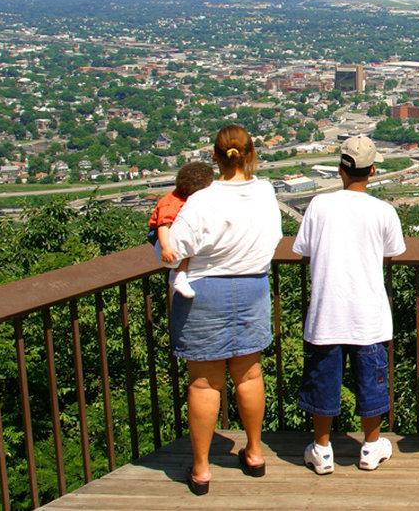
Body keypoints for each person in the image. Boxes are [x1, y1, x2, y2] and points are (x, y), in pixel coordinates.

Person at [166, 125, 282, 495]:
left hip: (206, 291)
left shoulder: (202, 200)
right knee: (248, 374)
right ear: (250, 155)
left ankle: (201, 469)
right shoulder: (265, 192)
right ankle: (255, 452)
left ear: (214, 157)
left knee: (203, 382)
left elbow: (176, 249)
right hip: (252, 286)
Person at [294, 135, 406, 475]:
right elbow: (393, 251)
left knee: (322, 381)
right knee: (372, 383)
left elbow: (304, 250)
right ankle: (370, 447)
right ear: (372, 170)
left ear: (340, 170)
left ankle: (322, 449)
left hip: (327, 309)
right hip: (368, 312)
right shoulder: (383, 211)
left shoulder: (319, 205)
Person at [150, 161, 215, 298]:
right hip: (159, 234)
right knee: (186, 242)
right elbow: (163, 226)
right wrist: (166, 247)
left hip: (169, 229)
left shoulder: (185, 198)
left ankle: (180, 275)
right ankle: (179, 276)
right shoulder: (171, 203)